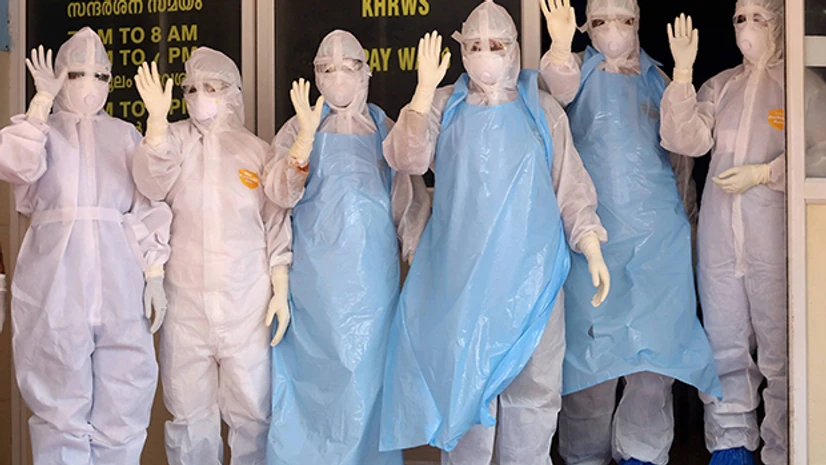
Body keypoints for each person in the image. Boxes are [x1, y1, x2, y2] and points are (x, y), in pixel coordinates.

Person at [378, 2, 612, 463]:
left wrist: (590, 244)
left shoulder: (541, 109)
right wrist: (421, 93)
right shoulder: (443, 106)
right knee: (466, 395)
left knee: (534, 397)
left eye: (497, 45)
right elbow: (406, 159)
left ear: (514, 50)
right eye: (475, 46)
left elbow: (569, 187)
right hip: (462, 282)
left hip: (533, 278)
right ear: (461, 50)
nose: (486, 54)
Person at [538, 1, 722, 464]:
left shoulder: (659, 80)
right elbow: (552, 97)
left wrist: (683, 77)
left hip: (657, 239)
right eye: (600, 21)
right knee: (589, 364)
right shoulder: (573, 72)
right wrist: (559, 47)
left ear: (638, 23)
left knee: (654, 362)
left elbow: (686, 151)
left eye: (623, 19)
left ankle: (643, 454)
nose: (613, 31)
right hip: (589, 236)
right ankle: (585, 456)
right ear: (586, 26)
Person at [662, 0, 826, 463]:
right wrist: (682, 76)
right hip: (721, 241)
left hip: (776, 240)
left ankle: (785, 447)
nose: (747, 27)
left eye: (759, 17)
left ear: (780, 22)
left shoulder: (801, 86)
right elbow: (685, 139)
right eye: (739, 18)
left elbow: (821, 154)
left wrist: (766, 173)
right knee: (724, 344)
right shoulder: (722, 86)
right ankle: (730, 443)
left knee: (783, 348)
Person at [0, 27, 172, 464]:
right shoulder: (43, 133)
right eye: (76, 74)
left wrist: (154, 272)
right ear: (60, 77)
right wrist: (40, 104)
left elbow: (146, 206)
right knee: (59, 409)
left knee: (124, 405)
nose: (89, 84)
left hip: (120, 286)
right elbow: (15, 166)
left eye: (100, 75)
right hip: (56, 287)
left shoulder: (125, 135)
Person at [264, 29, 430, 465]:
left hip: (372, 290)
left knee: (368, 387)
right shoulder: (299, 128)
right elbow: (278, 197)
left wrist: (416, 257)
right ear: (316, 76)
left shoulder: (383, 129)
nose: (338, 77)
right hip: (312, 289)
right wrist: (303, 143)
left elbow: (410, 201)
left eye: (348, 67)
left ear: (365, 73)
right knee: (311, 388)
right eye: (327, 69)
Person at [132, 48, 291, 465]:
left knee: (253, 414)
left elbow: (275, 223)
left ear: (233, 93)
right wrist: (155, 126)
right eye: (192, 89)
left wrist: (280, 285)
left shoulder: (256, 151)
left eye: (212, 88)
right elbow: (150, 189)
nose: (200, 96)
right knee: (189, 418)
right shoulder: (173, 143)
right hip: (185, 306)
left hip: (247, 305)